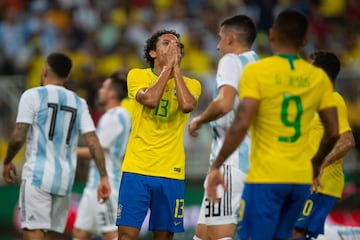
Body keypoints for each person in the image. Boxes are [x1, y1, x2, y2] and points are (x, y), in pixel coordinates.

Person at [206, 9, 340, 240]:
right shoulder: (318, 78)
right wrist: (316, 163)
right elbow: (333, 131)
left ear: (271, 35)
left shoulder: (259, 71)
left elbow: (241, 124)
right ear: (305, 40)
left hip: (265, 176)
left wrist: (217, 165)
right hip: (299, 178)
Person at [2, 52, 111, 240]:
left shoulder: (32, 95)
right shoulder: (79, 102)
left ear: (45, 69)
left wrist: (8, 161)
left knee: (34, 233)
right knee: (52, 235)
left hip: (37, 177)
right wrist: (103, 176)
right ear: (67, 76)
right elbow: (93, 141)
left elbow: (18, 136)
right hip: (64, 180)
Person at [116, 30, 201, 240]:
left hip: (170, 171)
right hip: (137, 168)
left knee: (164, 237)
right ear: (153, 53)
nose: (174, 48)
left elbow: (187, 104)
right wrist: (167, 69)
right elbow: (151, 99)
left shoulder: (192, 84)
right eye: (166, 43)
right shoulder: (136, 75)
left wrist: (175, 69)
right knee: (126, 236)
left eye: (177, 45)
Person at [188, 15, 258, 240]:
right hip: (252, 163)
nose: (217, 45)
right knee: (203, 234)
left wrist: (199, 120)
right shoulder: (259, 64)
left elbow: (225, 103)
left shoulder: (231, 61)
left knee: (220, 235)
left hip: (230, 162)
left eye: (219, 38)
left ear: (231, 37)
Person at [293, 51, 355, 239]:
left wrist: (320, 164)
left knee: (295, 233)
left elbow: (347, 141)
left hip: (321, 184)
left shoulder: (333, 99)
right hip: (306, 181)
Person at [73, 70, 131, 240]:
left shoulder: (116, 115)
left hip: (107, 185)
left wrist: (67, 150)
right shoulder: (111, 116)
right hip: (94, 184)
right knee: (79, 232)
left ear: (112, 93)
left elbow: (97, 150)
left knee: (111, 234)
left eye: (104, 88)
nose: (100, 91)